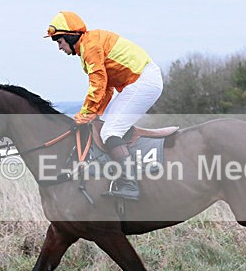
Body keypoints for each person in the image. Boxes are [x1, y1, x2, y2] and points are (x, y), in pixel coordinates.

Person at [45, 11, 163, 201]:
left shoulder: (90, 47)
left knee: (109, 132)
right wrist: (93, 115)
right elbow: (106, 89)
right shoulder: (89, 45)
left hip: (142, 82)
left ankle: (129, 184)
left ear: (70, 36)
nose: (59, 48)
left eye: (59, 42)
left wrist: (84, 114)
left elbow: (97, 85)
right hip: (138, 82)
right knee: (105, 128)